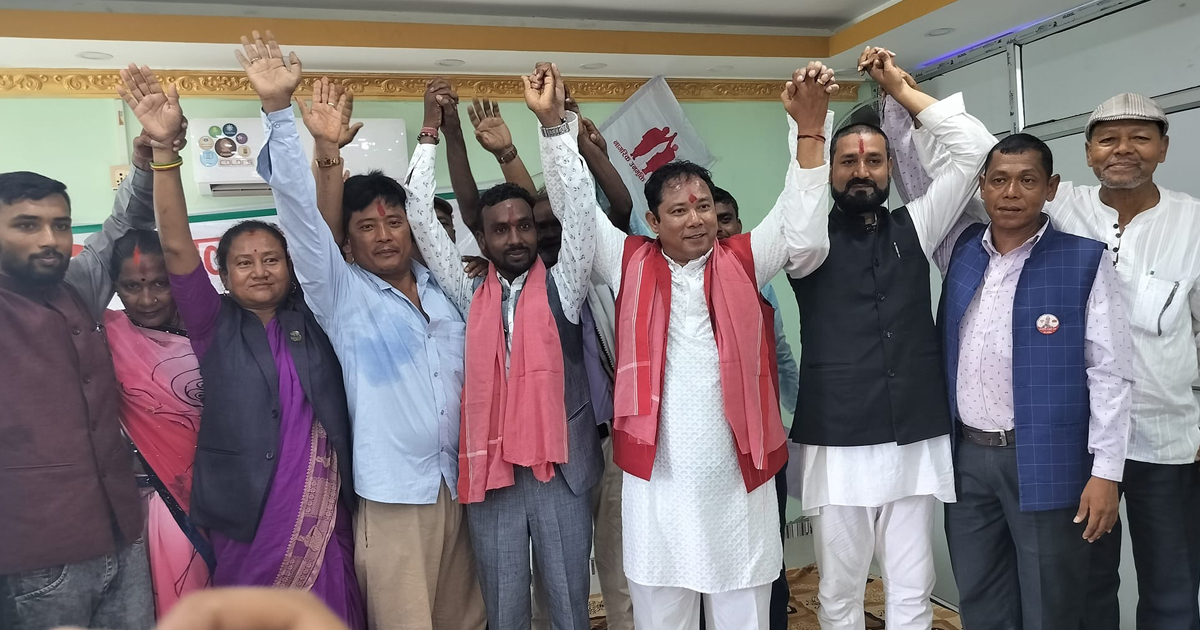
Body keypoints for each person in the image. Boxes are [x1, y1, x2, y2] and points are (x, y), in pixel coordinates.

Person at [548, 58, 837, 629]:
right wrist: (557, 130)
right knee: (663, 613)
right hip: (658, 482)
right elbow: (576, 210)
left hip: (739, 482)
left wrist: (808, 132)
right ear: (653, 220)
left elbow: (800, 222)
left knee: (742, 611)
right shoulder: (627, 262)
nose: (697, 220)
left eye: (703, 206)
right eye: (679, 211)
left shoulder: (746, 260)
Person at [252, 38, 486, 630]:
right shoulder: (342, 294)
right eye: (367, 226)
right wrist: (284, 116)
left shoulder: (449, 291)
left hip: (465, 483)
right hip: (394, 498)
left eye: (394, 221)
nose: (384, 235)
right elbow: (301, 219)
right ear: (349, 242)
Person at [118, 60, 362, 627]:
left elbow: (320, 234)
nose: (260, 270)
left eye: (271, 259)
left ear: (291, 268)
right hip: (245, 514)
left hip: (325, 509)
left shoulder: (317, 314)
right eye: (244, 263)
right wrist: (164, 153)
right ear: (223, 275)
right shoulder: (212, 323)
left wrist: (326, 152)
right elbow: (175, 246)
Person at [785, 47, 995, 630]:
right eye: (848, 160)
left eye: (875, 160)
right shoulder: (804, 241)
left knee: (911, 588)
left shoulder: (916, 225)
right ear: (828, 170)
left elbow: (975, 152)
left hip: (914, 434)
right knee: (840, 591)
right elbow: (799, 196)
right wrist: (808, 127)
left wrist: (902, 92)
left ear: (888, 169)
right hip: (838, 440)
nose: (861, 170)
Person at [407, 82, 605, 626]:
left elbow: (580, 211)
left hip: (559, 469)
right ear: (482, 237)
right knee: (504, 611)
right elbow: (419, 215)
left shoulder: (565, 283)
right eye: (500, 230)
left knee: (570, 609)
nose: (515, 238)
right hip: (491, 473)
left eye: (523, 226)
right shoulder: (467, 291)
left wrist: (553, 127)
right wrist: (430, 131)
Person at [934, 133, 1132, 630]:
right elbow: (921, 178)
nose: (1011, 192)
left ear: (1051, 188)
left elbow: (1109, 372)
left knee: (1051, 604)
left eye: (1027, 180)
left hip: (1048, 458)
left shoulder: (1084, 259)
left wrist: (1107, 472)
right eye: (999, 180)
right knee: (980, 596)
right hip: (968, 458)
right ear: (982, 186)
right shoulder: (962, 250)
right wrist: (898, 102)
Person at [0, 121, 172, 629]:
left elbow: (122, 226)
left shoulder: (74, 284)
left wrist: (143, 164)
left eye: (61, 225)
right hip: (35, 558)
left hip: (122, 533)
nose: (50, 240)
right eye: (27, 225)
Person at [105, 228, 213, 616]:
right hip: (153, 505)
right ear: (114, 287)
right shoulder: (107, 335)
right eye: (132, 286)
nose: (147, 299)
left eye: (160, 284)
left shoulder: (209, 331)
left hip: (222, 496)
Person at [711, 186, 799, 630]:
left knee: (768, 554)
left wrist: (798, 419)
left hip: (762, 446)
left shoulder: (758, 280)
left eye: (726, 219)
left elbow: (780, 354)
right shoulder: (674, 284)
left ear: (739, 226)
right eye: (711, 220)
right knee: (709, 559)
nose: (718, 229)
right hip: (705, 455)